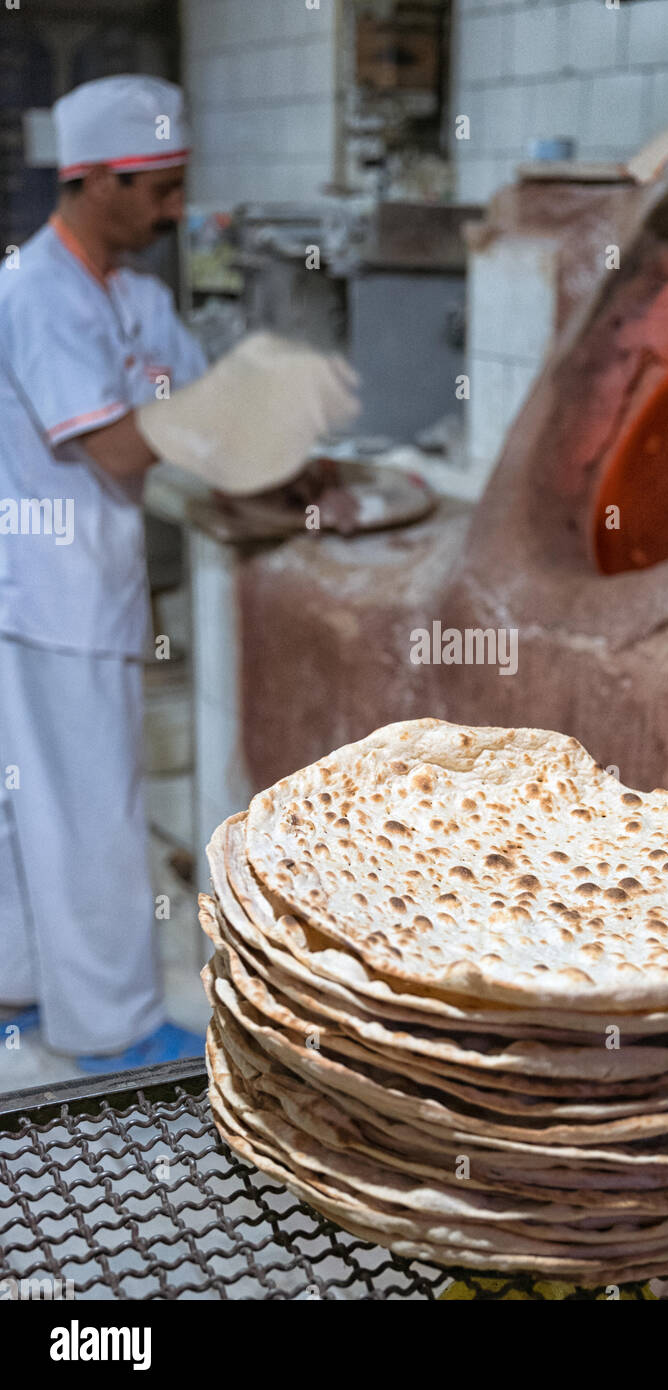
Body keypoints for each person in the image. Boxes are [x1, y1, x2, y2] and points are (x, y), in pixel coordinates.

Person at [0, 75, 208, 1073]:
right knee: (86, 810)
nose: (173, 210)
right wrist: (217, 430)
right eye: (156, 189)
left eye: (176, 186)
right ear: (90, 180)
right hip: (48, 590)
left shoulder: (136, 295)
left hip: (87, 582)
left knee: (31, 800)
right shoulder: (35, 292)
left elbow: (201, 403)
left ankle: (21, 983)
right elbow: (123, 451)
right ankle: (110, 1030)